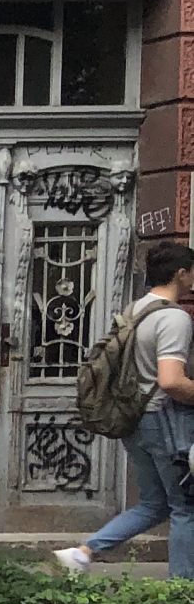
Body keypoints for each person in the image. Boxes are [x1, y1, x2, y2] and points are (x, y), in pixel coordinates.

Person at [56, 241, 194, 579]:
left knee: (154, 504)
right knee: (185, 508)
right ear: (180, 273)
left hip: (135, 420)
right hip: (165, 420)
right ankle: (181, 597)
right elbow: (171, 380)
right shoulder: (174, 317)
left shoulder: (136, 310)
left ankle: (83, 553)